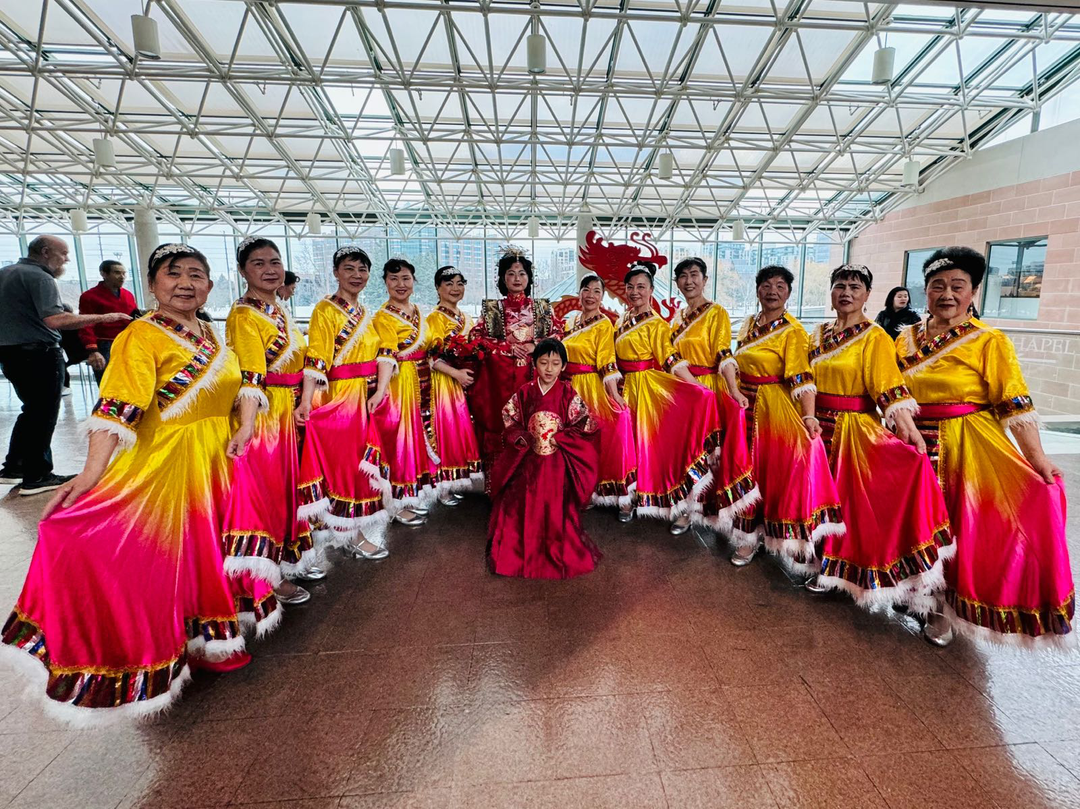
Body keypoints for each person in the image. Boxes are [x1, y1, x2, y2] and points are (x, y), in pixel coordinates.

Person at [0, 243, 249, 723]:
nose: (185, 283)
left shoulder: (210, 333)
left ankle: (206, 640)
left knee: (201, 549)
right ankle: (153, 650)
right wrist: (91, 474)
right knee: (156, 552)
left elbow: (231, 391)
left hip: (215, 457)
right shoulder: (141, 335)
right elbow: (117, 406)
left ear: (209, 285)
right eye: (172, 273)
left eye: (196, 274)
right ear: (151, 284)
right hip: (167, 461)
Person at [897, 246, 1073, 648]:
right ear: (925, 290)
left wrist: (1037, 458)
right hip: (914, 445)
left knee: (959, 528)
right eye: (937, 285)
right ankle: (918, 594)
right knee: (917, 524)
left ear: (973, 291)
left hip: (967, 447)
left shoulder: (989, 341)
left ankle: (944, 611)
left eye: (957, 286)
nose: (947, 294)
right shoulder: (905, 339)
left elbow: (1015, 403)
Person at [802, 264, 953, 615]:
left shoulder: (874, 337)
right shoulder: (817, 335)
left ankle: (853, 572)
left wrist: (907, 427)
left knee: (850, 504)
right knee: (819, 498)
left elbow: (889, 387)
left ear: (868, 295)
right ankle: (823, 566)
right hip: (817, 430)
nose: (846, 293)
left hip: (853, 430)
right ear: (831, 292)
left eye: (855, 287)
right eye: (840, 285)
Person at [221, 237, 315, 616]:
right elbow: (251, 375)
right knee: (264, 496)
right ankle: (265, 578)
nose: (269, 269)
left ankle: (283, 560)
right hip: (263, 415)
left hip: (285, 410)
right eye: (258, 263)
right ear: (243, 271)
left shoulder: (276, 308)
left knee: (283, 492)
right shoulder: (244, 315)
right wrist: (247, 425)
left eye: (274, 262)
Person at [730, 265, 844, 570]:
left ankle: (772, 534)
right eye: (767, 285)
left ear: (789, 293)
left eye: (780, 286)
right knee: (745, 466)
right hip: (744, 403)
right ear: (757, 290)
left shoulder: (793, 331)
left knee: (771, 470)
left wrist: (808, 416)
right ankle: (746, 534)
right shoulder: (748, 324)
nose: (773, 291)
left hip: (774, 408)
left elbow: (801, 376)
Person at [0, 236, 130, 495]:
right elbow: (55, 319)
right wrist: (105, 317)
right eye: (64, 253)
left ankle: (15, 466)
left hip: (10, 352)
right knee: (43, 414)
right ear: (46, 252)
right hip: (38, 353)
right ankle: (37, 475)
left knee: (31, 410)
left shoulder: (6, 273)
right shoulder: (40, 277)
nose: (67, 259)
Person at [295, 246, 390, 561]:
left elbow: (382, 353)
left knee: (359, 466)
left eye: (362, 269)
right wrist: (306, 401)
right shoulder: (325, 310)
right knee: (344, 468)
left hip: (365, 398)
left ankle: (351, 530)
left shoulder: (365, 312)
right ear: (336, 272)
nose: (357, 275)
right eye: (349, 269)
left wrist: (380, 390)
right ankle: (350, 534)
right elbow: (316, 358)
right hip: (340, 398)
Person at [614, 263, 721, 534]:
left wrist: (696, 386)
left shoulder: (657, 324)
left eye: (641, 287)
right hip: (625, 389)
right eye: (630, 287)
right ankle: (628, 496)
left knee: (653, 447)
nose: (635, 292)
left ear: (651, 290)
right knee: (628, 444)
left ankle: (679, 503)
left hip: (647, 391)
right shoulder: (621, 320)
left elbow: (670, 359)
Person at [488, 339, 601, 578]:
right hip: (528, 462)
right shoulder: (525, 392)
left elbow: (585, 422)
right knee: (523, 504)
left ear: (564, 366)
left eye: (555, 363)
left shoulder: (568, 393)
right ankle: (520, 553)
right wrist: (521, 437)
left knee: (555, 505)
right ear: (534, 363)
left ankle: (554, 553)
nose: (549, 369)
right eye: (543, 362)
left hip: (556, 465)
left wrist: (563, 438)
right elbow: (509, 417)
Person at [668, 257, 759, 531]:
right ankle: (688, 508)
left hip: (708, 389)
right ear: (677, 283)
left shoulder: (716, 312)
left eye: (694, 274)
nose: (689, 281)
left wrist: (733, 390)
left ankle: (715, 510)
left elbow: (723, 353)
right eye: (683, 276)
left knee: (711, 452)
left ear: (705, 280)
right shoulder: (677, 318)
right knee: (687, 451)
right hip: (685, 390)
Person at [468, 248, 561, 481]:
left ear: (529, 278)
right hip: (500, 383)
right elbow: (476, 338)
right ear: (502, 278)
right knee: (502, 426)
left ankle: (535, 481)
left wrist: (535, 345)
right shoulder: (493, 309)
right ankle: (499, 482)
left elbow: (558, 334)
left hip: (535, 379)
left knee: (536, 424)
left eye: (522, 273)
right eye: (510, 273)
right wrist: (505, 347)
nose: (517, 278)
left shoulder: (542, 309)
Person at [368, 258, 439, 525]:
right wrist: (381, 391)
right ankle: (396, 502)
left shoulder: (419, 311)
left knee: (417, 438)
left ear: (414, 281)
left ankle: (410, 495)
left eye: (406, 278)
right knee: (400, 439)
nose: (401, 284)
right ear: (385, 282)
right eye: (394, 279)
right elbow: (386, 355)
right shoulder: (382, 317)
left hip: (422, 379)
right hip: (400, 384)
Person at [561, 275, 637, 521]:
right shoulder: (570, 321)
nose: (590, 295)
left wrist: (614, 395)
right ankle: (585, 490)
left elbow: (607, 360)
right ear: (579, 293)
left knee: (612, 431)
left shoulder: (604, 324)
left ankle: (623, 496)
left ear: (602, 296)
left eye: (596, 291)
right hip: (569, 388)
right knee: (574, 442)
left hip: (592, 386)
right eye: (586, 290)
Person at [426, 265, 483, 506]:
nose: (455, 288)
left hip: (465, 380)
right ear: (438, 288)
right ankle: (443, 486)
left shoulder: (466, 317)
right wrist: (456, 373)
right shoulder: (434, 318)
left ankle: (457, 480)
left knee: (462, 430)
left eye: (460, 283)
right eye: (449, 284)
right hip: (446, 381)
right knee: (447, 430)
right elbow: (431, 357)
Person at [79, 259, 138, 383]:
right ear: (104, 274)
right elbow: (86, 325)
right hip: (105, 345)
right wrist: (93, 351)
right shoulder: (89, 296)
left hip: (127, 343)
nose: (122, 277)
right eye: (117, 273)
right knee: (109, 383)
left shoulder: (128, 295)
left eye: (124, 273)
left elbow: (134, 319)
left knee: (131, 383)